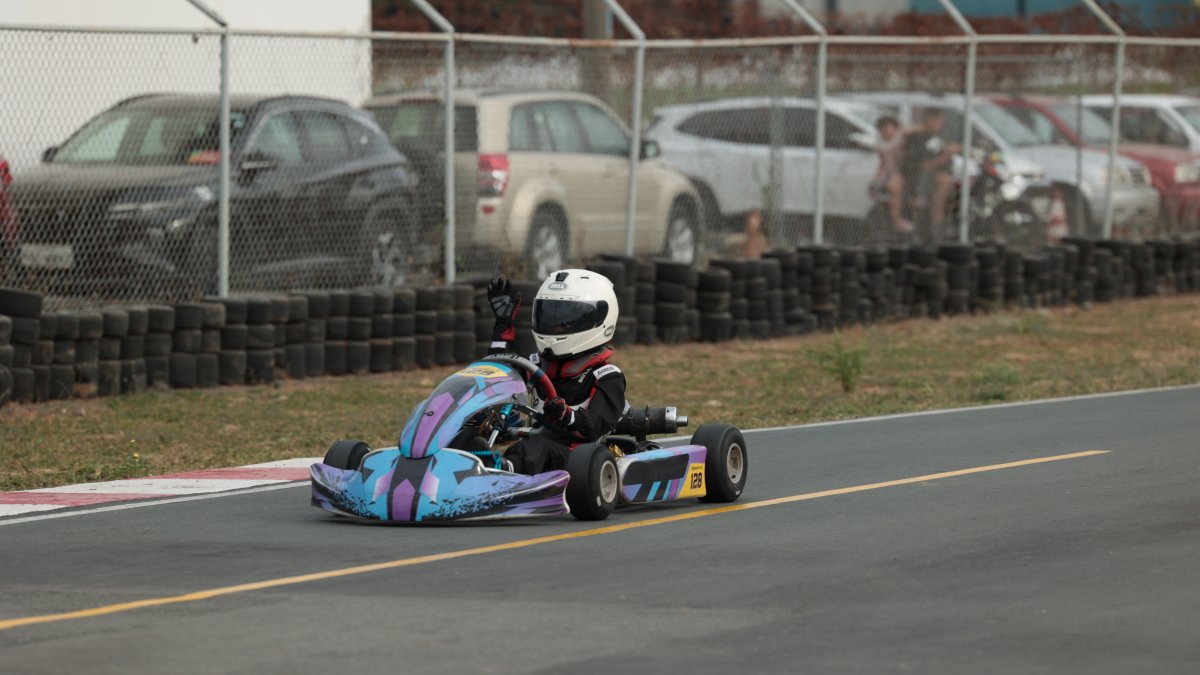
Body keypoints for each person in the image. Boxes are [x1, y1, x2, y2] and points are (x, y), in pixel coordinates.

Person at [486, 269, 628, 475]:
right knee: (472, 434)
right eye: (550, 316)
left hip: (580, 460)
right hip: (535, 451)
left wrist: (567, 415)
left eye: (565, 321)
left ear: (598, 320)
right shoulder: (535, 365)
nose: (555, 327)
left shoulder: (606, 376)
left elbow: (597, 424)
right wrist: (503, 325)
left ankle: (501, 476)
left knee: (536, 448)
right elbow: (497, 375)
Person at [902, 108, 961, 235]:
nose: (940, 124)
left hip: (942, 175)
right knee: (943, 182)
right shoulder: (917, 137)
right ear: (929, 120)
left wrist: (954, 149)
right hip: (922, 180)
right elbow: (924, 165)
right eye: (937, 121)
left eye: (941, 121)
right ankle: (937, 228)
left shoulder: (940, 137)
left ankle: (951, 222)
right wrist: (946, 155)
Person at [869, 115, 912, 235]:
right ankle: (895, 220)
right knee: (891, 185)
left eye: (889, 127)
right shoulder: (880, 145)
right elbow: (882, 165)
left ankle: (897, 220)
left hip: (903, 171)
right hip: (889, 172)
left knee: (895, 185)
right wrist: (875, 179)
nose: (886, 131)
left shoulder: (901, 139)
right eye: (882, 128)